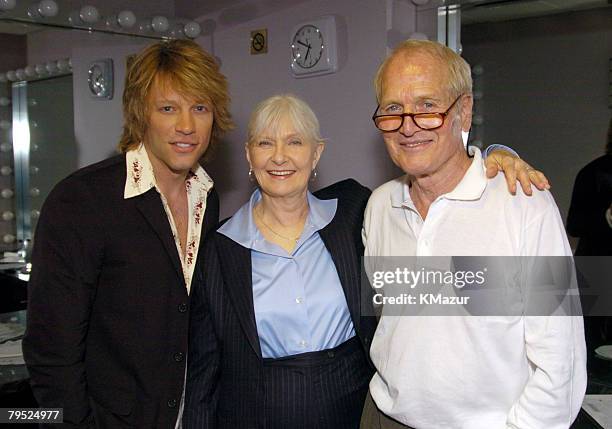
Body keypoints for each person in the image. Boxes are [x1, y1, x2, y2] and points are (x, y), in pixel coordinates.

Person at [184, 94, 550, 429]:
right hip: (257, 413)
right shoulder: (218, 249)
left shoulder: (355, 211)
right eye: (266, 142)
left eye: (295, 142)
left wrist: (498, 155)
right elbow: (203, 371)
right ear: (250, 155)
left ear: (316, 154)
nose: (280, 156)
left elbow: (438, 178)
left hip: (354, 407)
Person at [361, 40, 587, 428]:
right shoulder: (380, 206)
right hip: (383, 415)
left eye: (428, 106)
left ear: (463, 112)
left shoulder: (523, 205)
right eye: (393, 109)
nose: (408, 125)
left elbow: (560, 362)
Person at [22, 39, 232, 428]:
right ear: (140, 114)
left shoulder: (208, 196)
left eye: (199, 108)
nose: (186, 125)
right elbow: (51, 352)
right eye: (168, 108)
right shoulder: (81, 201)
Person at [566, 117, 612, 372]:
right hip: (596, 274)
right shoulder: (593, 173)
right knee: (591, 354)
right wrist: (606, 216)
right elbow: (574, 225)